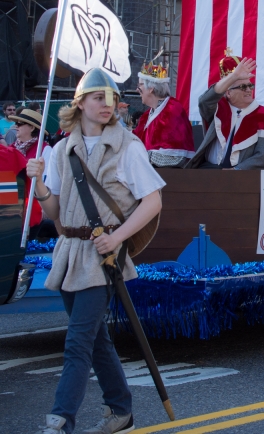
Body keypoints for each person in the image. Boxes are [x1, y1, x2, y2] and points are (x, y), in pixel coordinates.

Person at [26, 67, 165, 434]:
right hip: (71, 251)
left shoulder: (128, 147)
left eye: (110, 98)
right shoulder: (60, 149)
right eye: (97, 97)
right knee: (94, 337)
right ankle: (121, 412)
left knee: (77, 342)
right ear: (80, 104)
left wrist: (118, 239)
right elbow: (53, 212)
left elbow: (152, 202)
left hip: (103, 255)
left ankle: (60, 420)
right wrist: (38, 182)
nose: (107, 104)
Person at [186, 50, 264, 170]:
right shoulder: (218, 108)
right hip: (209, 170)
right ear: (228, 92)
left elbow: (263, 156)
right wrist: (233, 76)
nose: (249, 90)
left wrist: (235, 171)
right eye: (243, 87)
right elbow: (204, 101)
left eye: (250, 85)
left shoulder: (263, 115)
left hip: (241, 176)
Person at [134, 62, 196, 168]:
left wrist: (143, 155)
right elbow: (133, 139)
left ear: (151, 88)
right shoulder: (147, 115)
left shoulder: (172, 110)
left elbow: (176, 158)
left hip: (170, 178)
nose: (137, 89)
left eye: (140, 85)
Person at [8, 107, 55, 239]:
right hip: (9, 212)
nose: (15, 126)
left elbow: (46, 183)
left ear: (32, 128)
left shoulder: (45, 151)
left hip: (32, 211)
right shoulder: (10, 149)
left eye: (20, 123)